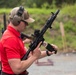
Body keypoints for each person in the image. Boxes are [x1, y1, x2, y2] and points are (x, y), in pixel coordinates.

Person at [0, 6, 58, 75]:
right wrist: (34, 57)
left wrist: (48, 52)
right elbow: (17, 69)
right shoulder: (10, 39)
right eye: (26, 22)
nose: (27, 25)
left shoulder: (15, 35)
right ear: (17, 21)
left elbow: (28, 56)